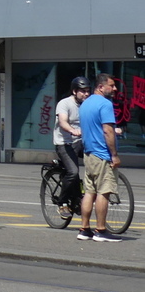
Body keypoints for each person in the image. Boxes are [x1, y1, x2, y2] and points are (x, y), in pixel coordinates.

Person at [77, 73, 124, 243]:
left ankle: (84, 229)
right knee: (104, 192)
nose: (114, 88)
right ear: (100, 87)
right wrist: (114, 155)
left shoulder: (85, 104)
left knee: (89, 192)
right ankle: (101, 230)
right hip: (102, 154)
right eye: (111, 85)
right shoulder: (105, 104)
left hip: (89, 153)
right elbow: (107, 130)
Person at [53, 76, 92, 212]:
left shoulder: (87, 104)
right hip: (64, 143)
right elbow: (63, 121)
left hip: (80, 142)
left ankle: (81, 194)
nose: (86, 94)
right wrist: (72, 130)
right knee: (73, 172)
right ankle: (62, 202)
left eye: (88, 91)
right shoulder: (64, 103)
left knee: (97, 160)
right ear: (74, 91)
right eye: (82, 91)